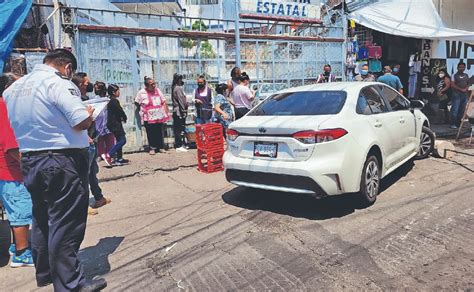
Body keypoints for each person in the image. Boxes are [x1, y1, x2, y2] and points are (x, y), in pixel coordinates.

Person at [3, 49, 107, 291]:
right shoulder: (58, 83)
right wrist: (89, 115)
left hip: (30, 159)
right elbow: (79, 120)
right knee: (67, 223)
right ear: (67, 68)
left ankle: (48, 273)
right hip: (61, 160)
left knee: (42, 218)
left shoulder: (13, 89)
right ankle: (71, 285)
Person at [0, 73, 34, 268]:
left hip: (6, 171)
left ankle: (17, 246)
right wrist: (30, 166)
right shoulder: (5, 107)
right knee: (20, 211)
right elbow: (11, 146)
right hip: (10, 172)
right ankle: (21, 253)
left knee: (15, 212)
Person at [72, 73, 111, 214]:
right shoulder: (74, 101)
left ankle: (99, 197)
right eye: (86, 82)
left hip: (92, 139)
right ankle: (83, 205)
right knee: (83, 175)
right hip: (84, 141)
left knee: (92, 172)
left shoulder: (86, 99)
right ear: (80, 84)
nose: (89, 84)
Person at [135, 77, 170, 155]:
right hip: (148, 116)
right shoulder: (141, 92)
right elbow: (137, 102)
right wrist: (143, 109)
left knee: (159, 131)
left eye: (154, 83)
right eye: (152, 84)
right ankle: (152, 148)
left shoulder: (157, 90)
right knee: (151, 132)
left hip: (158, 115)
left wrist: (166, 112)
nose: (154, 85)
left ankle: (161, 147)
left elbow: (163, 100)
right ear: (147, 86)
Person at [102, 84, 129, 166]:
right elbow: (120, 111)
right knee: (122, 140)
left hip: (113, 123)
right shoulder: (114, 101)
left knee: (118, 139)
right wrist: (124, 117)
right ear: (113, 92)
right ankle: (108, 155)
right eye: (118, 91)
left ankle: (119, 158)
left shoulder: (110, 100)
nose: (119, 92)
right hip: (115, 124)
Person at [94, 81, 115, 160]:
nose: (96, 90)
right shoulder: (95, 99)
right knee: (100, 140)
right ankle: (100, 154)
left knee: (110, 138)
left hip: (108, 121)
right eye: (95, 88)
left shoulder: (108, 99)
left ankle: (109, 154)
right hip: (98, 122)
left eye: (98, 88)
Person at [171, 73, 189, 152]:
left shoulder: (175, 87)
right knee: (179, 128)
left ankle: (181, 144)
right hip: (179, 111)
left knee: (179, 128)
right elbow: (181, 100)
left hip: (177, 111)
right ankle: (179, 145)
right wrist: (183, 111)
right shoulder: (178, 88)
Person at [450, 62, 470, 129]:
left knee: (462, 111)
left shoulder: (466, 75)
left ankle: (459, 125)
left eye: (463, 67)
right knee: (455, 110)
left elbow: (468, 84)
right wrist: (461, 89)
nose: (461, 68)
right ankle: (452, 124)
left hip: (464, 95)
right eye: (460, 67)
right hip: (456, 95)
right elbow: (452, 85)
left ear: (464, 68)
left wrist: (466, 89)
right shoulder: (454, 75)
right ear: (457, 68)